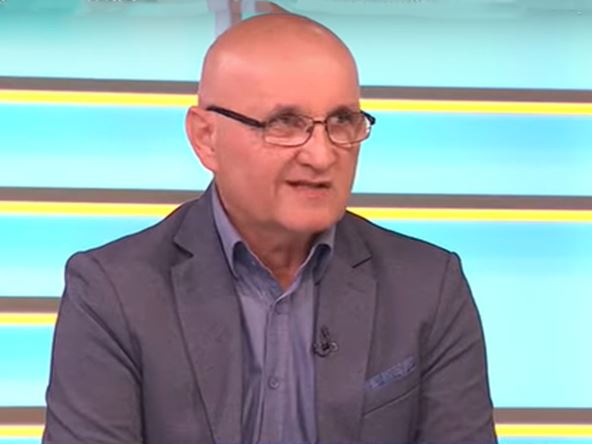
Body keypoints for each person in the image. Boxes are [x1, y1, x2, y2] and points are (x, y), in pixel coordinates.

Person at [43, 13, 497, 444]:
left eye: (342, 122)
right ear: (206, 138)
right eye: (285, 124)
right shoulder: (114, 291)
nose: (321, 156)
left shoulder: (428, 286)